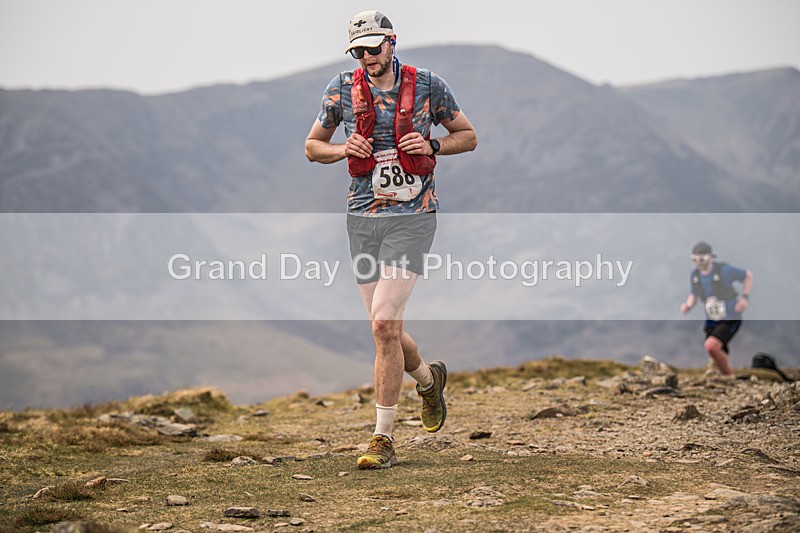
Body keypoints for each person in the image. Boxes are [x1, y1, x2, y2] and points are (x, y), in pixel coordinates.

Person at [304, 11, 477, 469]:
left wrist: (435, 145)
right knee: (389, 330)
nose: (367, 57)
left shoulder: (428, 85)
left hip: (414, 216)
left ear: (392, 42)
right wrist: (343, 149)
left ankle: (382, 439)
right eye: (358, 50)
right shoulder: (340, 88)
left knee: (383, 325)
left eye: (373, 47)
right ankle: (427, 381)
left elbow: (469, 136)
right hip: (362, 220)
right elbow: (312, 146)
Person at [680, 242, 753, 376]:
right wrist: (688, 305)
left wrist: (744, 298)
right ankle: (724, 377)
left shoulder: (724, 270)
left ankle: (729, 377)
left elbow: (747, 275)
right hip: (712, 320)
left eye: (701, 259)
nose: (698, 263)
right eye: (694, 260)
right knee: (717, 352)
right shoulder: (695, 276)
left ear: (710, 257)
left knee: (711, 346)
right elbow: (694, 293)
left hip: (730, 317)